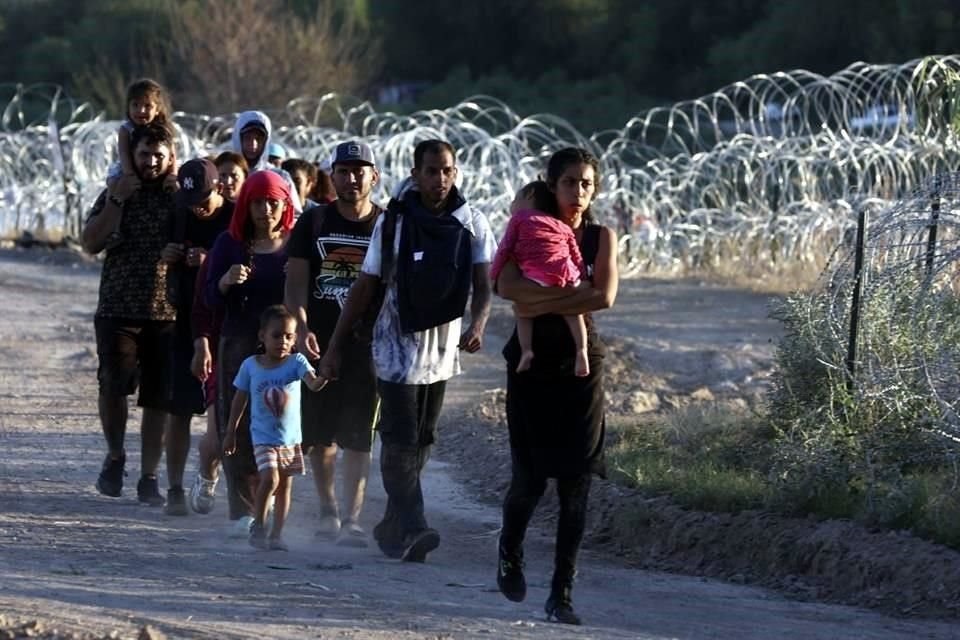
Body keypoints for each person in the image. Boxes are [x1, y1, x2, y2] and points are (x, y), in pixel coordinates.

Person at [318, 139, 496, 562]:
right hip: (394, 345)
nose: (440, 179)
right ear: (415, 174)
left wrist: (479, 322)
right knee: (399, 437)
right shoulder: (394, 222)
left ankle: (391, 524)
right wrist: (336, 345)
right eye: (431, 171)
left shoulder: (471, 221)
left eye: (447, 171)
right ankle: (415, 525)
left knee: (423, 439)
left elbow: (484, 284)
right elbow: (366, 285)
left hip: (441, 349)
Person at [493, 147, 619, 626]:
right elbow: (506, 286)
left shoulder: (602, 237)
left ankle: (561, 592)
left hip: (581, 369)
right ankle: (510, 549)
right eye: (569, 182)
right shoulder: (528, 228)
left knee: (576, 484)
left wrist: (540, 296)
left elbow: (604, 296)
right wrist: (569, 295)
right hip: (530, 367)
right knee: (529, 479)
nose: (578, 192)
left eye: (587, 183)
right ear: (552, 185)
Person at [80, 121, 183, 507]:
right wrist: (118, 200)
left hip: (165, 311)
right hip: (117, 308)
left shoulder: (178, 198)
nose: (151, 162)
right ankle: (116, 455)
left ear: (171, 157)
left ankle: (149, 476)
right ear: (132, 155)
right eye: (144, 154)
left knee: (157, 399)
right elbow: (90, 242)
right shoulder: (117, 190)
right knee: (112, 387)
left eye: (159, 155)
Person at [285, 141, 382, 546]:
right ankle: (328, 510)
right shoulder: (313, 222)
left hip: (368, 346)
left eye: (360, 170)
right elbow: (295, 284)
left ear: (374, 177)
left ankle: (353, 519)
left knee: (359, 434)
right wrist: (302, 328)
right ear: (334, 175)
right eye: (344, 170)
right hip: (318, 342)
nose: (352, 178)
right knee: (320, 434)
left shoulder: (386, 225)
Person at [204, 170, 296, 535]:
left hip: (282, 351)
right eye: (258, 201)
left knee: (278, 426)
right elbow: (209, 297)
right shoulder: (230, 243)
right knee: (237, 427)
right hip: (239, 346)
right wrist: (226, 280)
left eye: (273, 202)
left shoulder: (294, 244)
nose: (266, 210)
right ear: (246, 204)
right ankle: (243, 510)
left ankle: (269, 503)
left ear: (285, 204)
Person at [157, 158, 233, 515]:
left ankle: (213, 480)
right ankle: (173, 487)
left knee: (225, 415)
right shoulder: (180, 213)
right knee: (180, 410)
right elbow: (164, 251)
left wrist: (210, 260)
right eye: (192, 202)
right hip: (186, 322)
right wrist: (168, 255)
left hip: (229, 324)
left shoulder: (235, 217)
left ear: (219, 187)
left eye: (204, 199)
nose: (198, 208)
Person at [223, 305, 326, 551]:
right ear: (262, 336)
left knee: (285, 487)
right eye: (277, 335)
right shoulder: (250, 365)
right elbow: (239, 399)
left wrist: (324, 377)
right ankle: (259, 524)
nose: (283, 341)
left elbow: (313, 385)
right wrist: (230, 432)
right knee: (269, 479)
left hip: (290, 439)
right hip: (262, 437)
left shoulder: (296, 362)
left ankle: (276, 535)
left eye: (289, 336)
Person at [489, 180, 589, 377]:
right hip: (565, 275)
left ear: (529, 197)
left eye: (515, 199)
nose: (512, 205)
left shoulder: (519, 218)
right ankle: (582, 350)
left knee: (523, 311)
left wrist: (494, 274)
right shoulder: (561, 224)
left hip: (537, 275)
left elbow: (504, 248)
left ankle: (526, 350)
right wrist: (581, 277)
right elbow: (575, 255)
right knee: (574, 313)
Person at [104, 79, 177, 249]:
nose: (141, 111)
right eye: (135, 105)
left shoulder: (163, 130)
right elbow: (123, 152)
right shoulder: (126, 129)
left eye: (147, 106)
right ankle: (114, 230)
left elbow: (172, 155)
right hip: (127, 166)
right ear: (128, 107)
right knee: (114, 187)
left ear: (157, 108)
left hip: (156, 171)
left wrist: (173, 174)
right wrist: (129, 175)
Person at [230, 111, 302, 212]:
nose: (253, 145)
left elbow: (295, 214)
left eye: (259, 139)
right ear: (238, 139)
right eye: (247, 138)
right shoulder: (227, 175)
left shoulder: (280, 176)